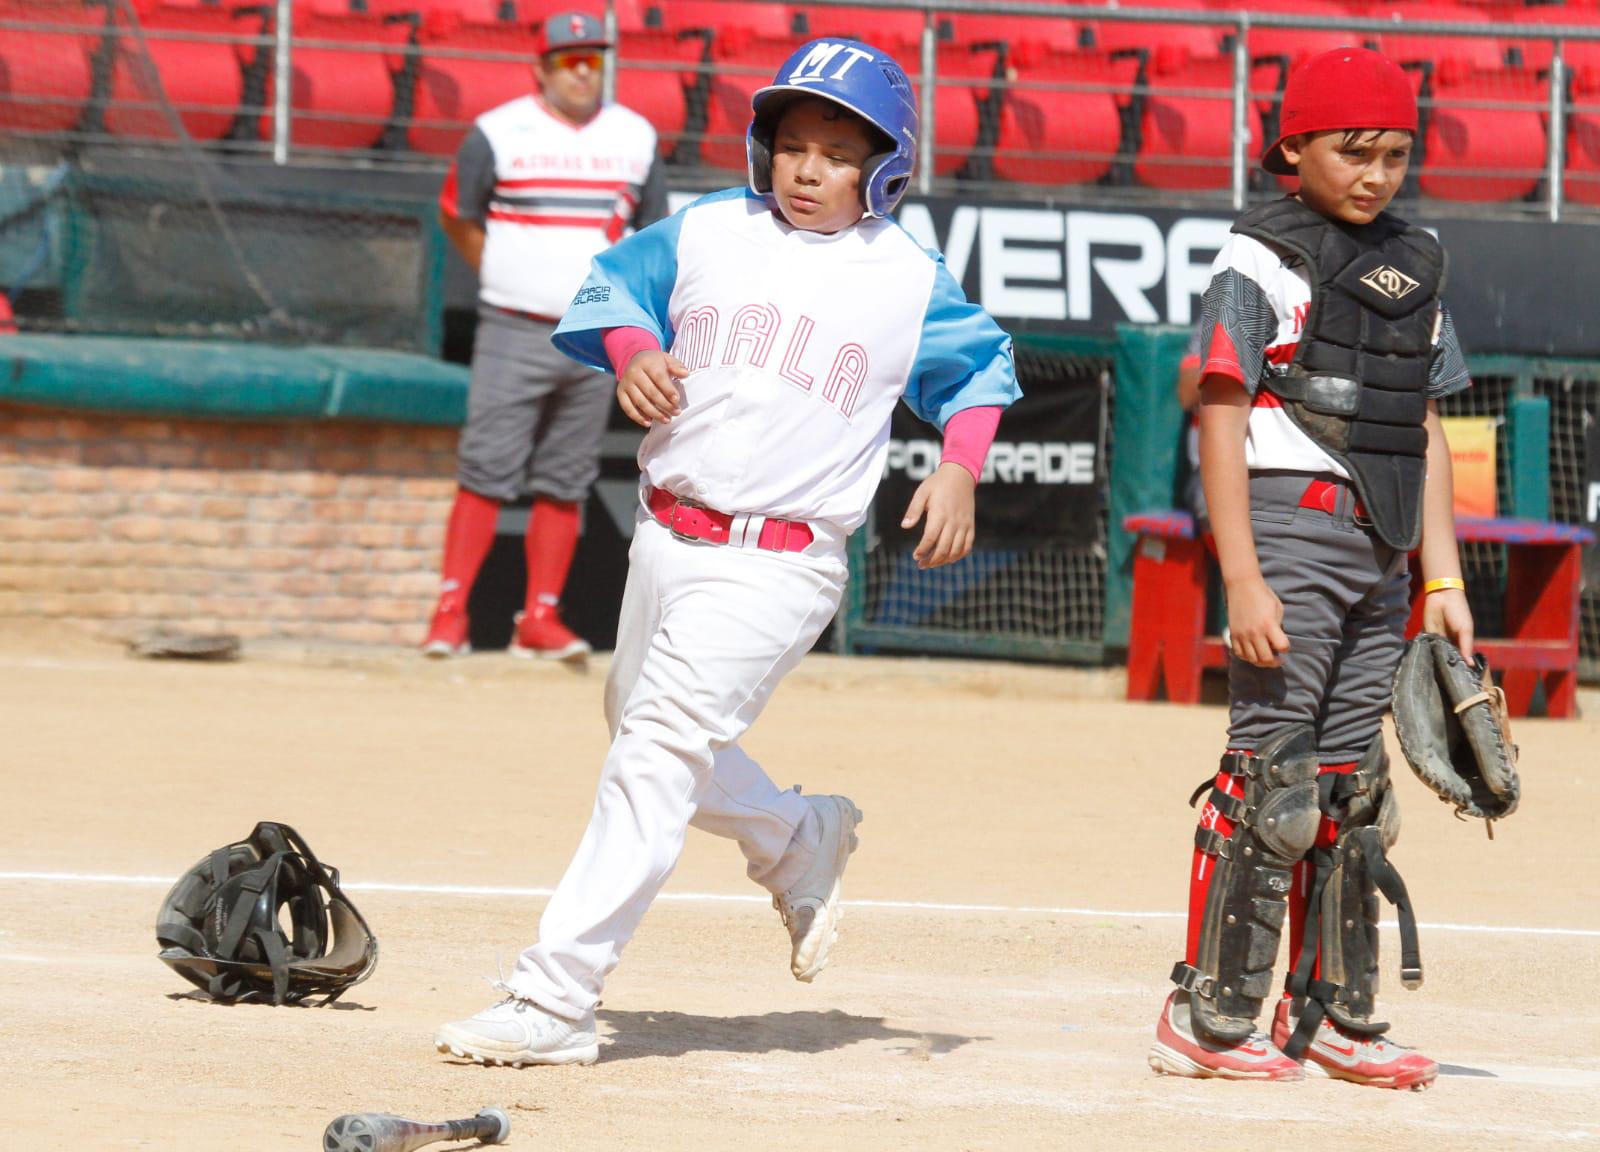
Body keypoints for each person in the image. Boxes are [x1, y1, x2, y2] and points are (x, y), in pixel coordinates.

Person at [433, 37, 1020, 1067]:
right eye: (791, 143)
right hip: (667, 533)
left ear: (884, 165)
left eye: (837, 152)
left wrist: (961, 466)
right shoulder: (710, 226)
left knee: (654, 753)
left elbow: (979, 370)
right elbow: (611, 286)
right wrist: (633, 350)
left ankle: (555, 996)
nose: (806, 168)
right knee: (641, 730)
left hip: (781, 559)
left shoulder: (902, 275)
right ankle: (795, 835)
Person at [1146, 47, 1474, 1090]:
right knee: (1272, 780)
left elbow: (1422, 423)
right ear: (1292, 147)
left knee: (1350, 790)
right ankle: (1203, 1014)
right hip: (1287, 530)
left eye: (1393, 152)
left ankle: (1326, 1014)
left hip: (1380, 550)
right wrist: (1238, 573)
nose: (1374, 172)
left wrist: (1441, 580)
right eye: (1351, 150)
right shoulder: (1261, 257)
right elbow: (1221, 408)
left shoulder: (1417, 264)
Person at [421, 10, 667, 663]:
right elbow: (457, 217)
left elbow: (648, 239)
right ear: (541, 67)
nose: (583, 72)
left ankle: (540, 617)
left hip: (592, 335)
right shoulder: (497, 131)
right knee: (485, 470)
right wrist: (507, 273)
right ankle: (451, 614)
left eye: (593, 60)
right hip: (512, 325)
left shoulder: (636, 135)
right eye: (569, 60)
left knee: (565, 477)